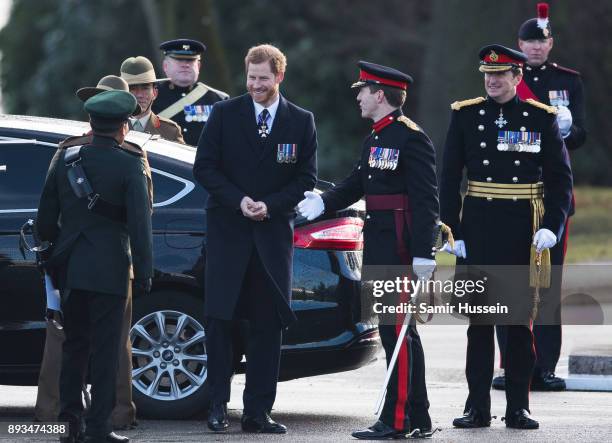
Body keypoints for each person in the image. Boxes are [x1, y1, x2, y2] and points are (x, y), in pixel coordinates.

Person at [298, 61, 439, 439]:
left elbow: (426, 201)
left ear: (380, 95)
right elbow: (356, 183)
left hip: (400, 250)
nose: (358, 97)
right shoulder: (376, 137)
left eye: (363, 91)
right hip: (379, 245)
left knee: (397, 333)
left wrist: (424, 252)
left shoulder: (411, 137)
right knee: (400, 334)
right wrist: (323, 202)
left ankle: (397, 421)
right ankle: (417, 416)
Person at [440, 45, 572, 430]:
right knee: (479, 324)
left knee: (518, 323)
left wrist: (552, 224)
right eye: (487, 74)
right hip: (478, 225)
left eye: (500, 75)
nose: (492, 80)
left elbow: (561, 181)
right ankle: (476, 406)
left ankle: (518, 406)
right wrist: (452, 228)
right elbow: (449, 178)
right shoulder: (465, 115)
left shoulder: (540, 117)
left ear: (518, 77)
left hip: (521, 229)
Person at [193, 44, 317, 434]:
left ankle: (258, 412)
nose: (256, 85)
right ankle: (216, 406)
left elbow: (305, 179)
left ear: (279, 77)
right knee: (220, 324)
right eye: (251, 77)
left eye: (264, 78)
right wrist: (238, 200)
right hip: (228, 234)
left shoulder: (301, 121)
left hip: (271, 239)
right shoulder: (224, 114)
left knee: (267, 327)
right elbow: (205, 168)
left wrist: (270, 205)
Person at [34, 75, 152, 431]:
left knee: (74, 348)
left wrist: (53, 256)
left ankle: (69, 424)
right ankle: (98, 428)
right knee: (105, 353)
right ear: (123, 127)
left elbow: (44, 218)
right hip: (112, 271)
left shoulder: (65, 157)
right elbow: (139, 225)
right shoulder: (130, 163)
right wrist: (145, 271)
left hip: (70, 268)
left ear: (90, 123)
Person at [493, 1, 586, 392]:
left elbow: (581, 136)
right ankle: (510, 366)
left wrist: (566, 128)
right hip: (513, 193)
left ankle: (544, 366)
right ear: (519, 44)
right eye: (528, 41)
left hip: (551, 194)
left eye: (541, 40)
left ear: (551, 44)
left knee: (548, 286)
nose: (534, 47)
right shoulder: (502, 80)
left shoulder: (570, 80)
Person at [153, 38, 229, 145]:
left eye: (190, 60)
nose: (185, 65)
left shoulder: (218, 99)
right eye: (179, 60)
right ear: (165, 66)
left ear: (198, 66)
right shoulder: (150, 94)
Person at [120, 56, 185, 143]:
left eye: (145, 88)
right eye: (132, 88)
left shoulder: (170, 131)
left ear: (155, 93)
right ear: (123, 93)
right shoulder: (113, 128)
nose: (139, 95)